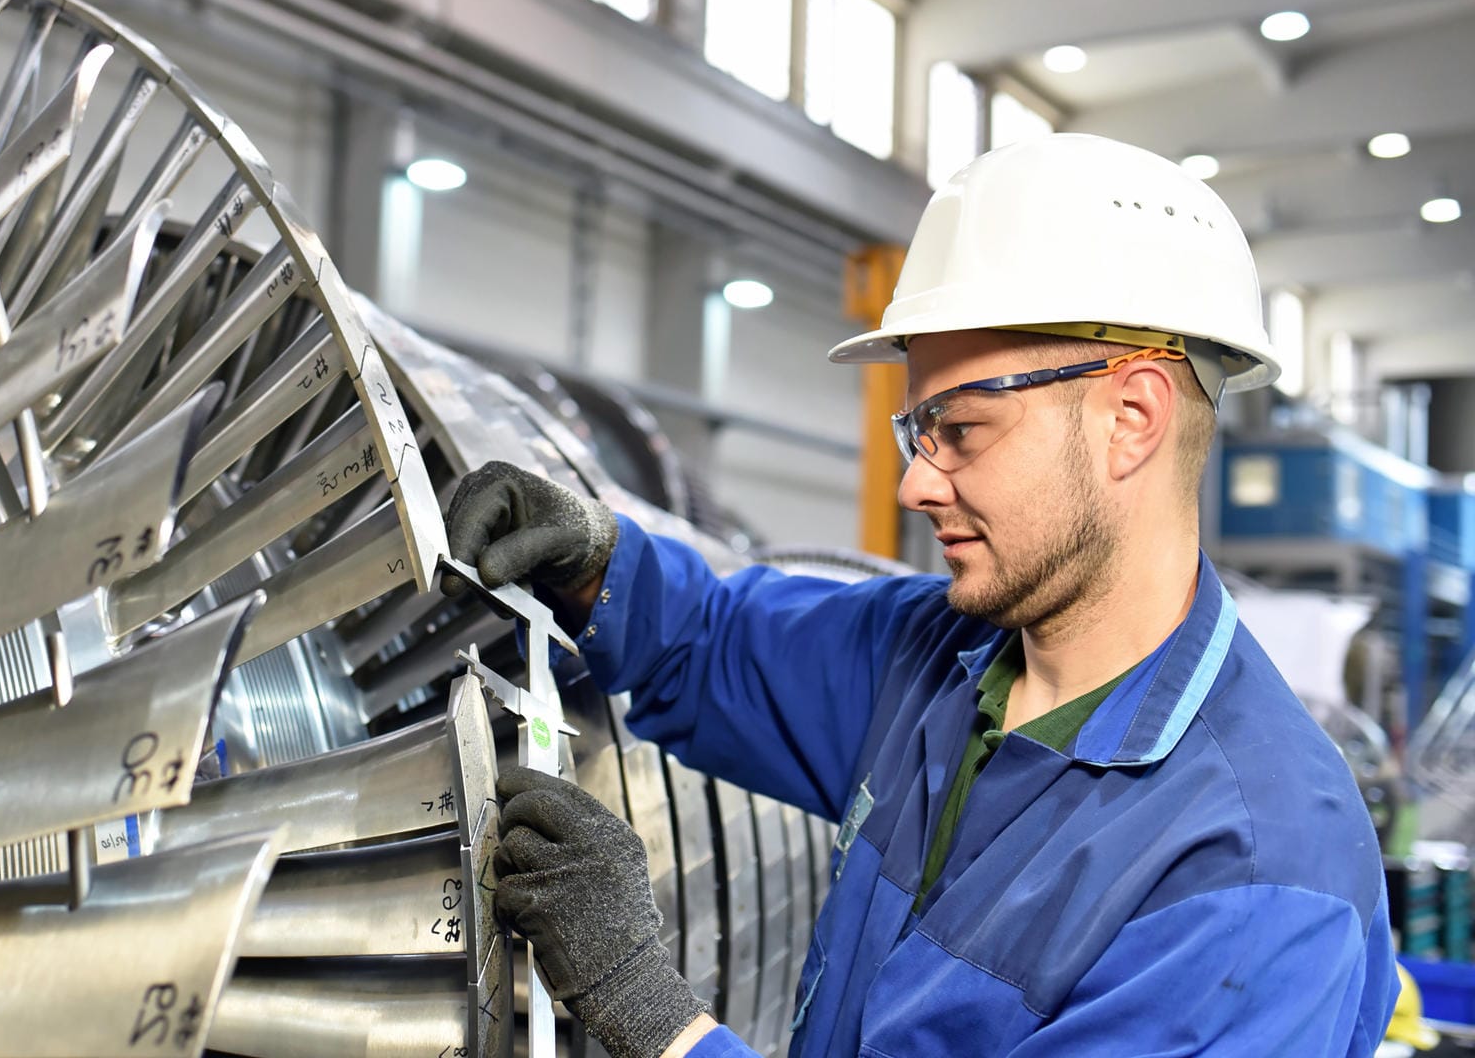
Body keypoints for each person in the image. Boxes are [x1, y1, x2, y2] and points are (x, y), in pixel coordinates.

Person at [448, 134, 1399, 1058]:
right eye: (919, 430)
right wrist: (594, 563)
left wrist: (651, 1015)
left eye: (964, 429)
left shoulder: (1252, 873)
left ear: (1132, 420)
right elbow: (714, 644)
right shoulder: (943, 659)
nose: (916, 484)